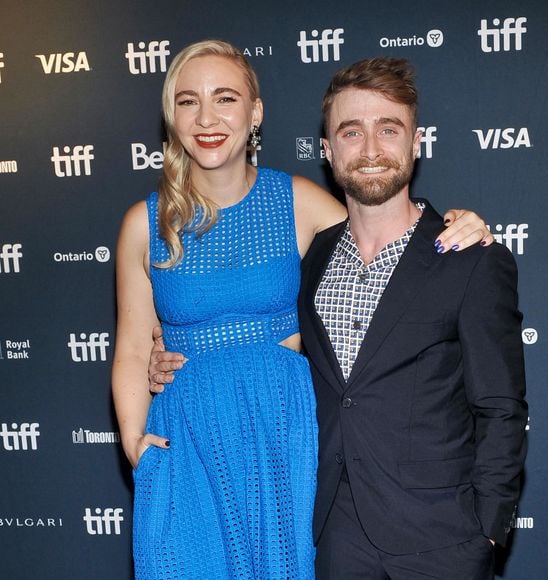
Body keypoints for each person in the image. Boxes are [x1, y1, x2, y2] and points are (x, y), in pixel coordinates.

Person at [115, 39, 493, 579]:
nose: (206, 117)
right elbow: (131, 347)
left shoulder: (297, 201)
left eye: (225, 98)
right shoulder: (142, 224)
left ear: (256, 112)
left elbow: (388, 236)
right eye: (187, 100)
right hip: (187, 441)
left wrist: (461, 223)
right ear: (169, 115)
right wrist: (135, 445)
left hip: (284, 432)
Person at [298, 58, 527, 579]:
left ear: (416, 141)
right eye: (351, 132)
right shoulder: (313, 257)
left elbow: (501, 409)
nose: (372, 149)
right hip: (335, 535)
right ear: (328, 150)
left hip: (442, 539)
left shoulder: (470, 258)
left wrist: (486, 529)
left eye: (389, 129)